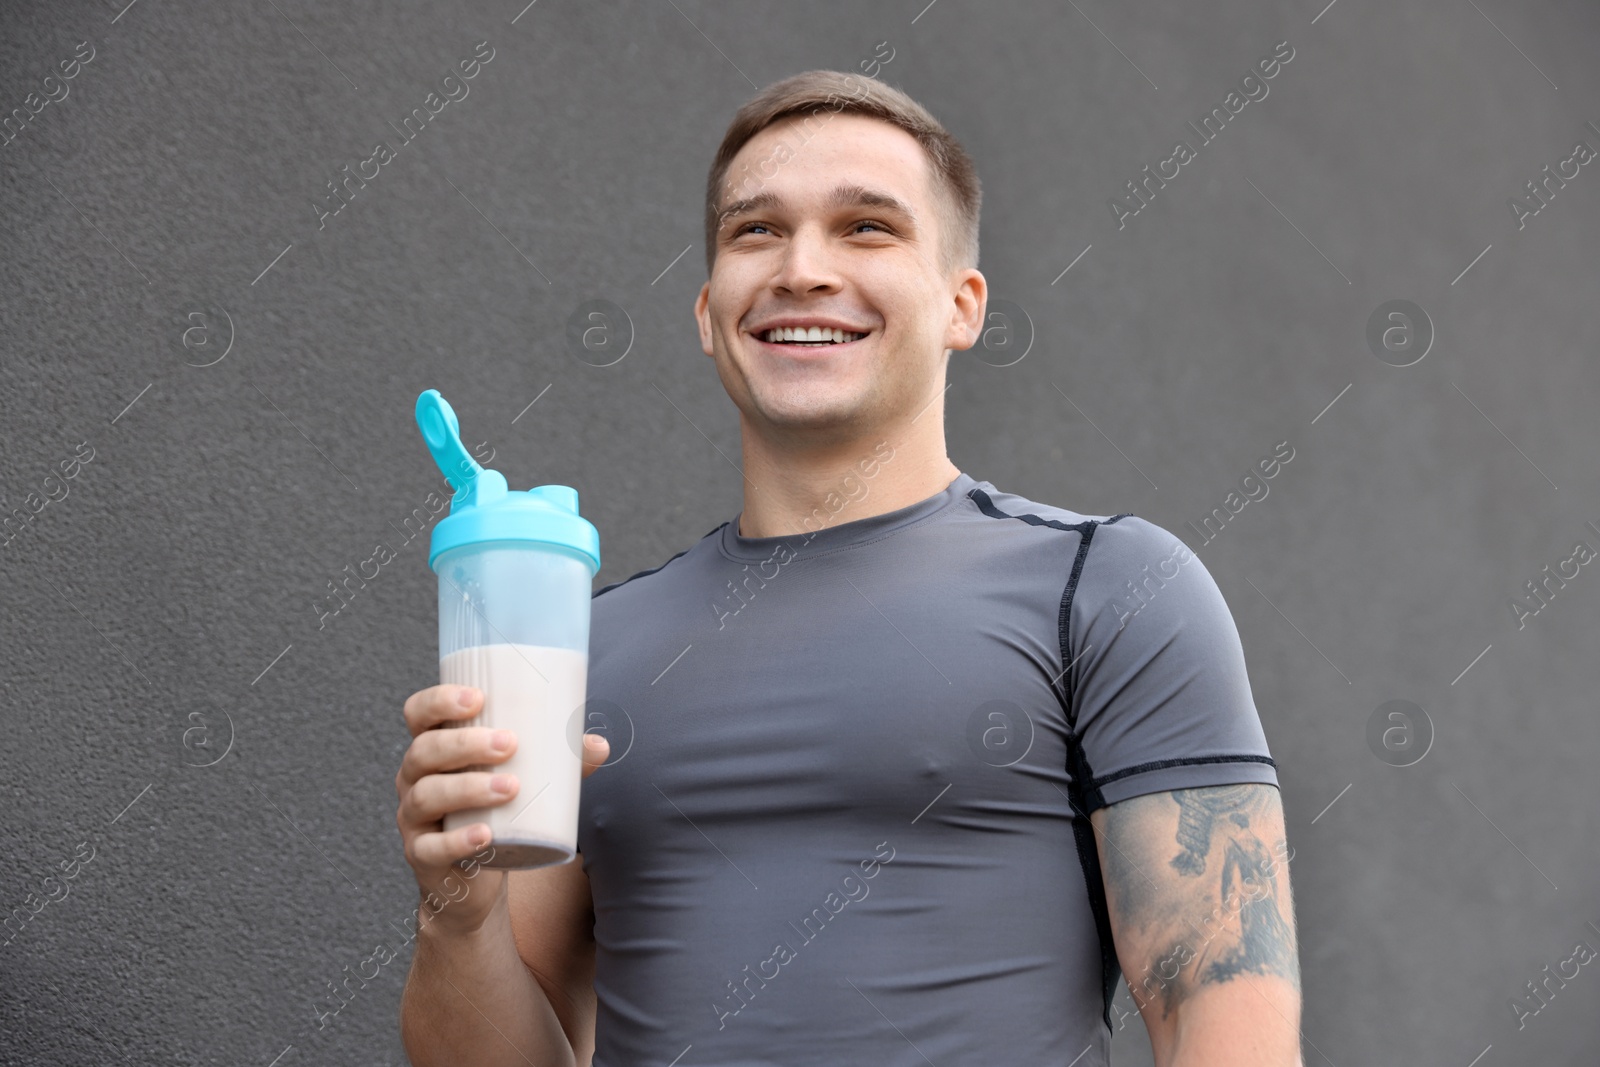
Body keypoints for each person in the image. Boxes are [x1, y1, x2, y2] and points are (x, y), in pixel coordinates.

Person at [397, 69, 1304, 1067]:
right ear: (707, 313)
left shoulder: (1110, 587)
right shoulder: (589, 648)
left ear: (962, 304)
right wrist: (458, 916)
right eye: (756, 231)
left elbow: (1223, 1024)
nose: (801, 269)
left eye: (867, 227)